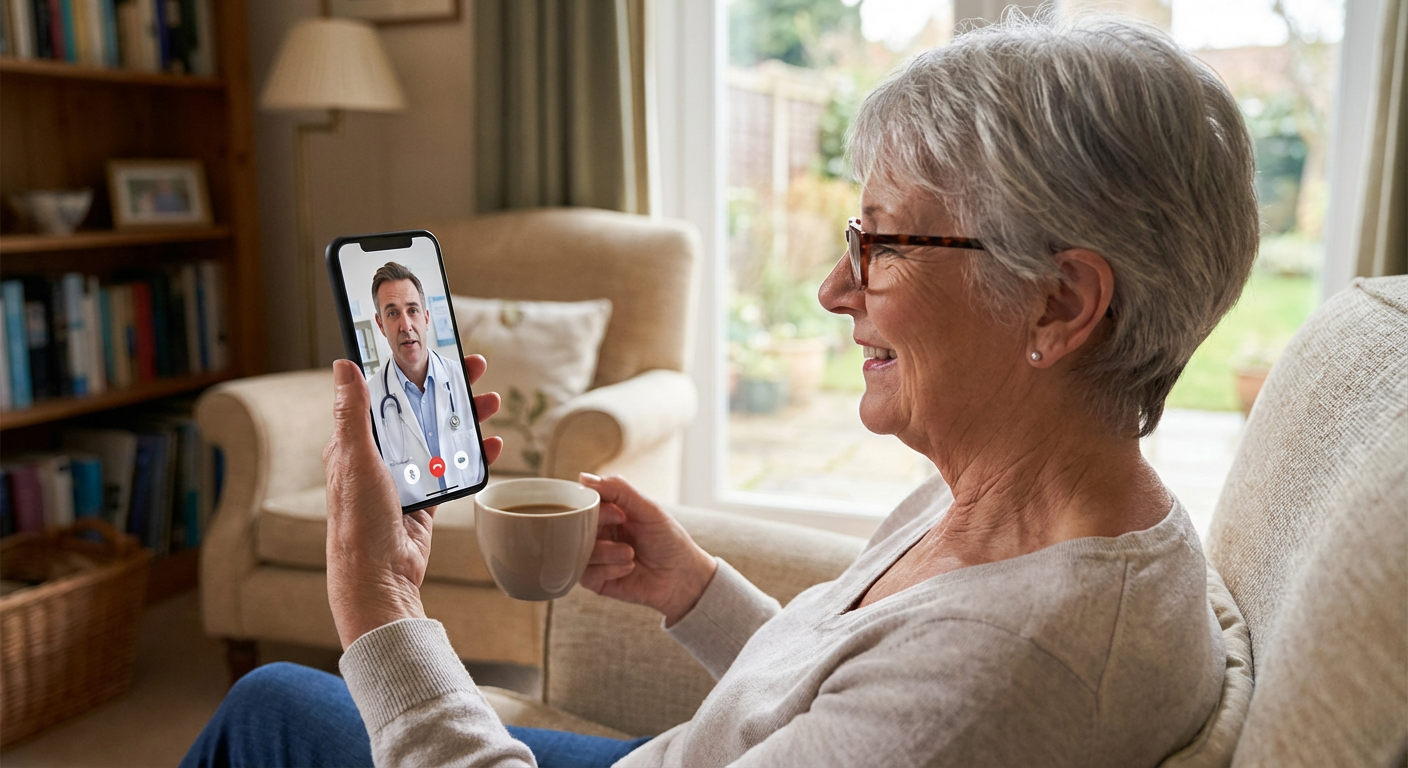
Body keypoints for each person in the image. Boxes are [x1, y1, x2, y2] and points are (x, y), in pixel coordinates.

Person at [183, 14, 1259, 768]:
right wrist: (691, 590)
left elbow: (910, 707)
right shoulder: (1015, 487)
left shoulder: (1010, 670)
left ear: (1060, 304)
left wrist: (380, 607)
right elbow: (839, 693)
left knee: (272, 705)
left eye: (882, 242)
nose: (835, 287)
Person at [364, 261, 483, 506]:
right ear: (380, 325)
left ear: (426, 317)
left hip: (465, 504)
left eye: (413, 310)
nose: (406, 326)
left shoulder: (459, 376)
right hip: (410, 518)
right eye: (393, 313)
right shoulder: (370, 397)